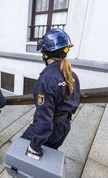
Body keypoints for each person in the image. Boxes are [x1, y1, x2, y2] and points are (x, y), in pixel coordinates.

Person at [21, 28, 80, 156]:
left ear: (45, 54)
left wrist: (35, 145)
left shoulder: (46, 79)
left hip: (50, 129)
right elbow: (75, 102)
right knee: (49, 156)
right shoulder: (72, 75)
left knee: (20, 147)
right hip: (64, 127)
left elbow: (45, 118)